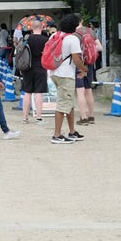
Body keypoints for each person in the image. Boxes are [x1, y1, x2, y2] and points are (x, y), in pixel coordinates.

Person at [49, 13, 86, 145]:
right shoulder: (72, 39)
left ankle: (72, 131)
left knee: (68, 102)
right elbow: (76, 59)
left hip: (54, 71)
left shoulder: (55, 35)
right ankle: (57, 135)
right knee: (63, 104)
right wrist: (84, 69)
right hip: (65, 75)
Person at [18, 17, 49, 124]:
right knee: (38, 93)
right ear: (42, 27)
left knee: (27, 92)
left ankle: (24, 118)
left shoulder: (26, 39)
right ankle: (38, 117)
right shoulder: (46, 40)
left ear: (31, 28)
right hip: (41, 67)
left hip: (27, 68)